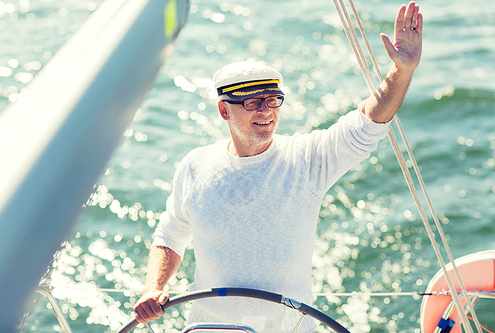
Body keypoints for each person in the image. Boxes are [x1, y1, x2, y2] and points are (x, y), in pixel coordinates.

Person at [134, 1, 422, 332]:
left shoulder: (308, 159)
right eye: (253, 103)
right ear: (224, 111)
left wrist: (402, 71)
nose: (267, 111)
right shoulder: (195, 166)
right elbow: (170, 234)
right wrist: (152, 287)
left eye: (273, 100)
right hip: (209, 328)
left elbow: (368, 122)